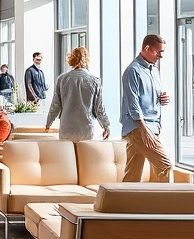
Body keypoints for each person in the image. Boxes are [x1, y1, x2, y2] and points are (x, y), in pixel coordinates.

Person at [120, 34, 173, 182]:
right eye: (158, 52)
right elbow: (132, 102)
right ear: (147, 48)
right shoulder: (132, 71)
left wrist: (161, 99)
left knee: (132, 173)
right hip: (139, 127)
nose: (161, 56)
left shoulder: (154, 71)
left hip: (153, 126)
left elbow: (148, 97)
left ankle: (124, 204)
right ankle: (169, 204)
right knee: (165, 166)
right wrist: (144, 130)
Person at [46, 47, 110, 142]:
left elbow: (55, 105)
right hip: (86, 128)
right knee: (85, 156)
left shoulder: (62, 79)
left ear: (71, 59)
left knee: (68, 156)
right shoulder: (95, 81)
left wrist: (48, 123)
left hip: (67, 127)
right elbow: (99, 108)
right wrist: (106, 126)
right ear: (87, 59)